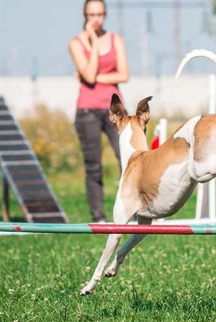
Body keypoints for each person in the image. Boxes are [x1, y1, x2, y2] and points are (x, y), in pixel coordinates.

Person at [69, 0, 129, 223]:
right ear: (84, 15)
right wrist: (93, 43)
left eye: (100, 14)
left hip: (115, 109)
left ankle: (133, 208)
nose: (95, 19)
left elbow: (123, 75)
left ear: (105, 15)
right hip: (87, 111)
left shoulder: (116, 40)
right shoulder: (76, 44)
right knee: (94, 167)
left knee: (129, 159)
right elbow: (89, 74)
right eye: (91, 14)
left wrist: (93, 78)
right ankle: (99, 218)